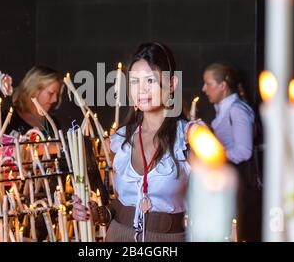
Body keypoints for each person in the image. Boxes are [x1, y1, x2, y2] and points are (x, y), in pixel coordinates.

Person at [72, 42, 203, 242]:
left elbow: (213, 200)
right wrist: (96, 213)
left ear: (172, 84)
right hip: (118, 236)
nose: (141, 90)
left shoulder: (188, 138)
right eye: (134, 81)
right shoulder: (121, 140)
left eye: (150, 80)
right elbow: (121, 204)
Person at [202, 62, 261, 241]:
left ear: (223, 85)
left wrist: (213, 156)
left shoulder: (237, 111)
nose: (204, 88)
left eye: (208, 83)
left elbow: (244, 151)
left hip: (240, 185)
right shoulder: (225, 110)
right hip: (227, 182)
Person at [8, 66, 63, 137]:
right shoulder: (10, 119)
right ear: (34, 90)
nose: (55, 99)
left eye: (57, 94)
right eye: (51, 93)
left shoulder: (52, 122)